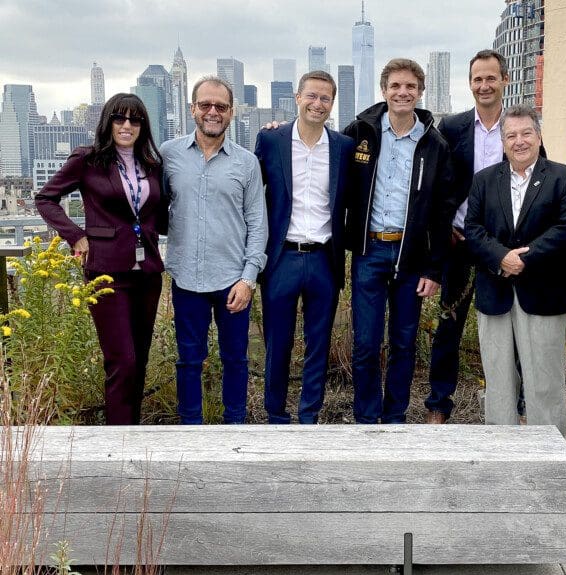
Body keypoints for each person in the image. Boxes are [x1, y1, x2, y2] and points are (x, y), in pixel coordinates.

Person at [425, 49, 544, 424]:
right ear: (470, 83)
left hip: (506, 250)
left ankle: (520, 405)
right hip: (461, 243)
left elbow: (540, 182)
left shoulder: (521, 126)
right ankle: (439, 404)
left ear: (505, 80)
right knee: (449, 326)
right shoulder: (454, 127)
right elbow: (435, 182)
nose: (484, 85)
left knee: (514, 326)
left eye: (491, 78)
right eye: (478, 79)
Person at [35, 93, 167, 425]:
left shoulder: (151, 165)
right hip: (107, 271)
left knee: (139, 360)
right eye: (119, 119)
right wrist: (76, 235)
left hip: (147, 272)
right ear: (107, 122)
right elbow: (46, 198)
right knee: (121, 360)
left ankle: (132, 432)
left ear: (143, 126)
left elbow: (158, 214)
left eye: (134, 120)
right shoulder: (88, 160)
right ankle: (118, 440)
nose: (127, 125)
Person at [343, 58, 455, 424]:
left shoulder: (434, 144)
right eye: (395, 86)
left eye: (410, 86)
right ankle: (366, 419)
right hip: (370, 251)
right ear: (384, 91)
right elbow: (325, 156)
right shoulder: (360, 131)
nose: (402, 92)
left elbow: (443, 210)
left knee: (404, 344)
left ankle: (394, 419)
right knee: (365, 344)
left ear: (420, 92)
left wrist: (434, 268)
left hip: (412, 257)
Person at [465, 105, 566, 434]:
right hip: (495, 290)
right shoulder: (484, 180)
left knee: (544, 377)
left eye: (526, 133)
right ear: (502, 142)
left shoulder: (564, 178)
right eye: (511, 135)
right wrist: (501, 257)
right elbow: (472, 230)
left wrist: (523, 259)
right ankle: (502, 446)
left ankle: (547, 448)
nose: (519, 141)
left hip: (544, 291)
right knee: (498, 377)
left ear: (539, 136)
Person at [161, 76, 268, 425]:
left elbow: (257, 223)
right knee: (189, 360)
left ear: (231, 113)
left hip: (232, 280)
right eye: (205, 105)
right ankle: (190, 432)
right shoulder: (168, 154)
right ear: (192, 108)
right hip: (186, 278)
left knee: (236, 359)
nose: (212, 112)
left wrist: (248, 279)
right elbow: (152, 207)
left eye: (220, 107)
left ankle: (233, 428)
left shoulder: (247, 162)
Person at [254, 71, 354, 424]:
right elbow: (251, 196)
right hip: (282, 258)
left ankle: (309, 415)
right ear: (297, 98)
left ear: (332, 104)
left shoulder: (343, 146)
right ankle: (276, 416)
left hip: (324, 258)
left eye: (325, 98)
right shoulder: (271, 141)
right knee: (278, 344)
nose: (318, 103)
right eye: (311, 96)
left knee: (318, 344)